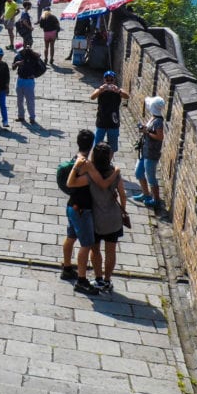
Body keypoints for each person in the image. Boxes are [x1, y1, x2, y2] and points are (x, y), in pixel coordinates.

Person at [68, 141, 127, 293]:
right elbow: (122, 195)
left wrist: (76, 167)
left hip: (96, 218)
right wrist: (123, 211)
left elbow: (72, 183)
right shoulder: (115, 172)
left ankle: (99, 279)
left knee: (95, 250)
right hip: (113, 219)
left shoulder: (90, 175)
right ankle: (108, 280)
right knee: (111, 251)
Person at [60, 129, 98, 295]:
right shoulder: (83, 164)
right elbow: (72, 183)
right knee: (86, 244)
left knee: (70, 237)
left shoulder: (75, 158)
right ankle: (82, 280)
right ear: (91, 145)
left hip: (71, 206)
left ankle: (67, 268)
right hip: (81, 209)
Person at [132, 96, 165, 207]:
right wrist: (145, 128)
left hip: (152, 153)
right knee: (138, 172)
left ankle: (156, 201)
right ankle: (146, 195)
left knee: (151, 177)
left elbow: (160, 137)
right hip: (145, 150)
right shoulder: (153, 118)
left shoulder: (159, 122)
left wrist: (146, 132)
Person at [91, 70, 129, 149]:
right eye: (107, 80)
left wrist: (118, 91)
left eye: (111, 80)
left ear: (114, 80)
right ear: (104, 80)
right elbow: (92, 97)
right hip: (101, 121)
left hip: (113, 122)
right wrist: (100, 90)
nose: (109, 82)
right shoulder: (100, 90)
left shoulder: (118, 90)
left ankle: (108, 161)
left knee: (112, 146)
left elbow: (127, 96)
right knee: (96, 144)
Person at [11, 43, 43, 124]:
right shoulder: (17, 56)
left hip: (29, 80)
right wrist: (17, 64)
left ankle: (32, 117)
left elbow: (39, 55)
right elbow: (13, 68)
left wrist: (31, 51)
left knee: (30, 100)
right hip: (20, 80)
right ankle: (21, 116)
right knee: (19, 100)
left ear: (24, 47)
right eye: (19, 51)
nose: (21, 52)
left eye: (22, 50)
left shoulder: (31, 54)